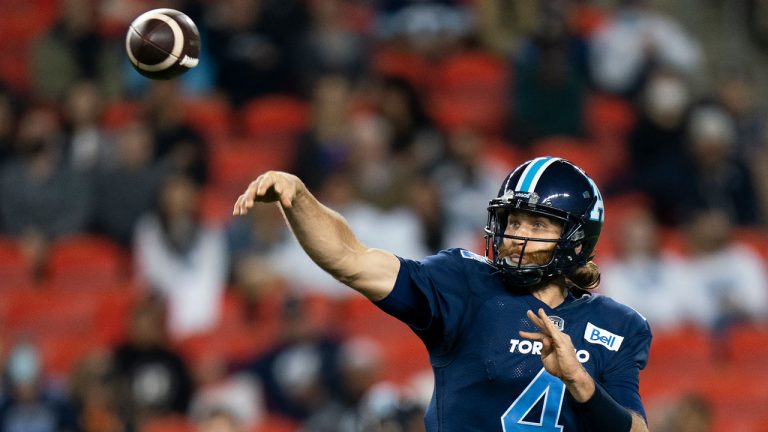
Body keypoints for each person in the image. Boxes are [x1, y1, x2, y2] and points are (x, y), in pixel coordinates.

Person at [232, 157, 651, 431]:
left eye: (537, 225)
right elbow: (350, 259)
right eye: (512, 221)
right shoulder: (465, 283)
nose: (516, 237)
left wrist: (580, 382)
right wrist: (299, 198)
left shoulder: (617, 325)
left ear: (577, 241)